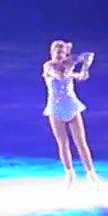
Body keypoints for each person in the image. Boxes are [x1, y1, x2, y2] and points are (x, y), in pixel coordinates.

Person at [42, 40, 99, 187]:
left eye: (62, 53)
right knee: (63, 143)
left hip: (72, 106)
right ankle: (70, 175)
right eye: (56, 53)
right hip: (55, 108)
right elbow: (59, 76)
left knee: (81, 142)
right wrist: (77, 75)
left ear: (66, 54)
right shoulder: (48, 66)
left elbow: (89, 55)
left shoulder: (70, 61)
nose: (59, 56)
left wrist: (85, 69)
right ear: (51, 53)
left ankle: (91, 175)